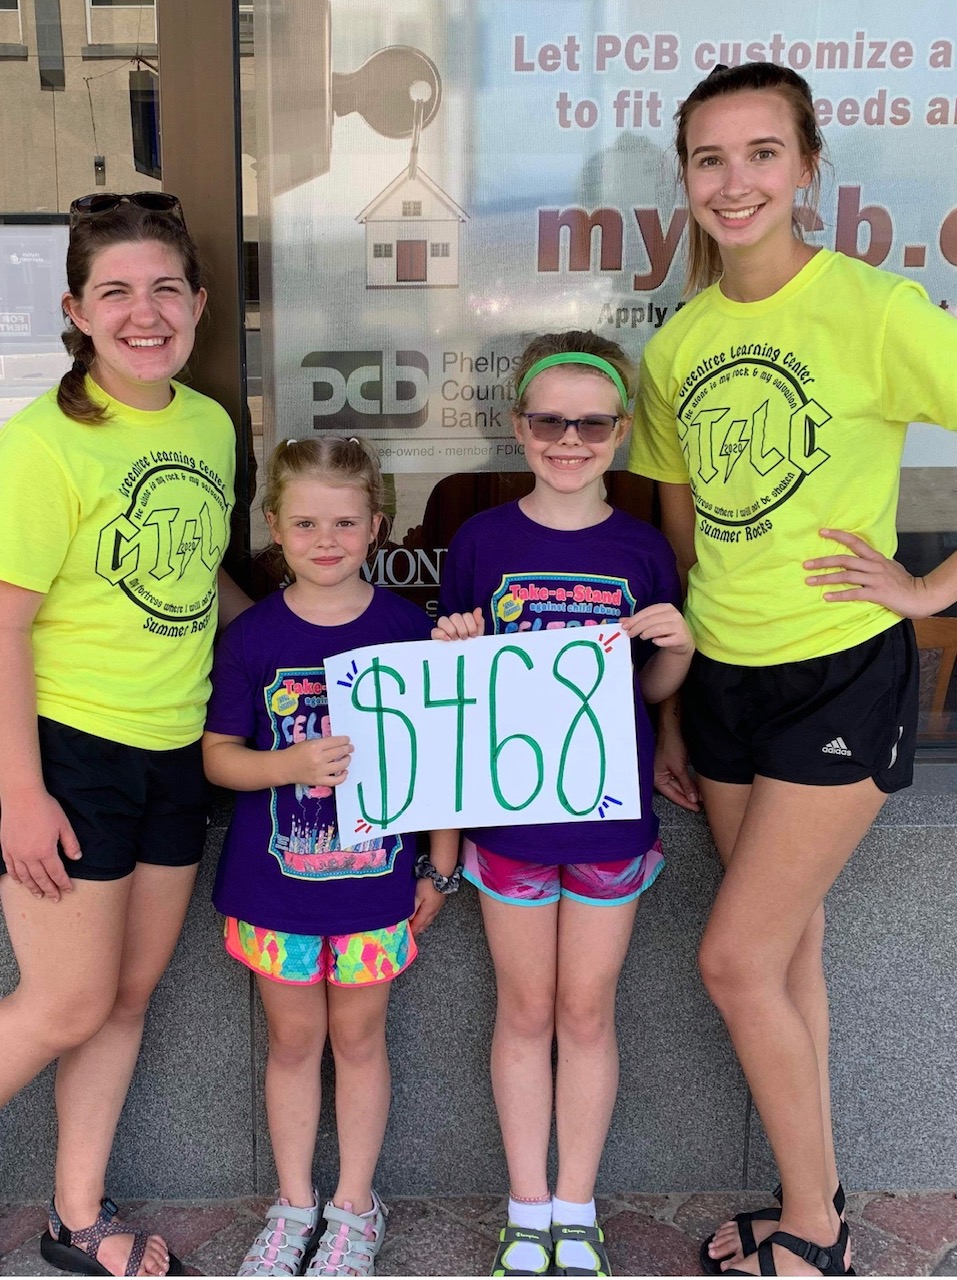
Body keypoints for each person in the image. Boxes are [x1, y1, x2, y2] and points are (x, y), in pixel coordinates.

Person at [627, 62, 957, 1278]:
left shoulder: (876, 308)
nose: (735, 181)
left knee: (732, 958)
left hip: (839, 675)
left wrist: (928, 589)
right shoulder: (680, 342)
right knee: (787, 950)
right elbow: (681, 530)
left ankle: (815, 1230)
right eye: (709, 158)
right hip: (722, 679)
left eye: (762, 153)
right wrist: (673, 706)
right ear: (686, 179)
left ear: (808, 167)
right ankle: (812, 1188)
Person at [0, 192, 240, 1276]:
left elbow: (200, 580)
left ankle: (77, 1217)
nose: (145, 313)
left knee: (123, 998)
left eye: (164, 289)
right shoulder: (40, 444)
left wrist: (313, 642)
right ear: (77, 312)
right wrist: (20, 796)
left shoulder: (209, 425)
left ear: (198, 302)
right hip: (71, 752)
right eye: (116, 293)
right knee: (64, 1002)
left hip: (174, 749)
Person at [434, 331, 694, 1278]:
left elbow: (648, 692)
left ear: (621, 432)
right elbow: (454, 693)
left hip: (606, 820)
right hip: (508, 821)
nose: (570, 440)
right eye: (550, 422)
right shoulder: (481, 540)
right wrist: (456, 645)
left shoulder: (641, 547)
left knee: (586, 1012)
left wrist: (677, 651)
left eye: (591, 423)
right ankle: (526, 1205)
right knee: (525, 1009)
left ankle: (575, 1207)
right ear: (519, 428)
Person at [203, 437, 460, 1278]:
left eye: (345, 523)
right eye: (306, 523)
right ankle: (292, 1205)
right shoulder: (252, 637)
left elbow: (441, 766)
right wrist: (286, 765)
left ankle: (353, 1206)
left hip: (375, 887)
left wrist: (440, 866)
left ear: (376, 526)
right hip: (274, 890)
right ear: (274, 527)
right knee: (291, 1043)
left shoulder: (407, 630)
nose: (326, 540)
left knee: (358, 1039)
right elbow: (219, 758)